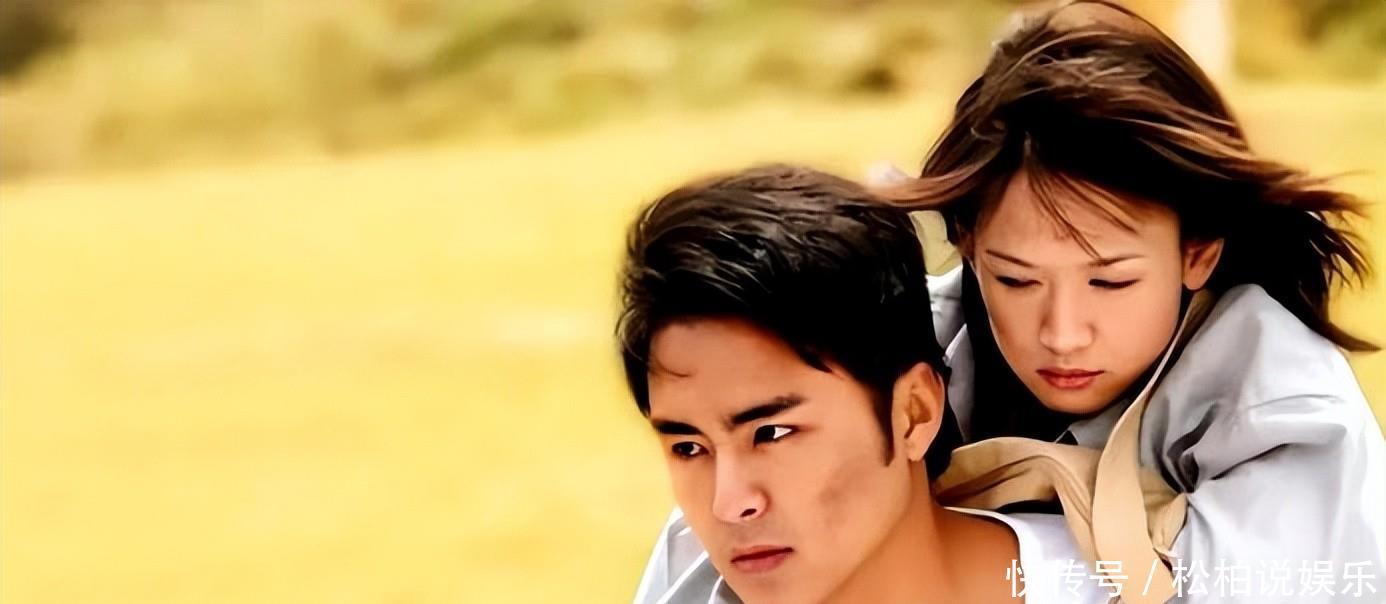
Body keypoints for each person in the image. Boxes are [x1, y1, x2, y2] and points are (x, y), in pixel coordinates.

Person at [635, 2, 1386, 601]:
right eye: (1016, 280)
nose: (1062, 333)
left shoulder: (1277, 404)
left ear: (1198, 250)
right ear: (966, 243)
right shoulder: (923, 341)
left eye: (1110, 281)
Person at [618, 165, 1106, 604]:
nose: (729, 504)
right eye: (688, 448)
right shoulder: (684, 578)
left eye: (772, 433)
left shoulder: (1124, 583)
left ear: (913, 412)